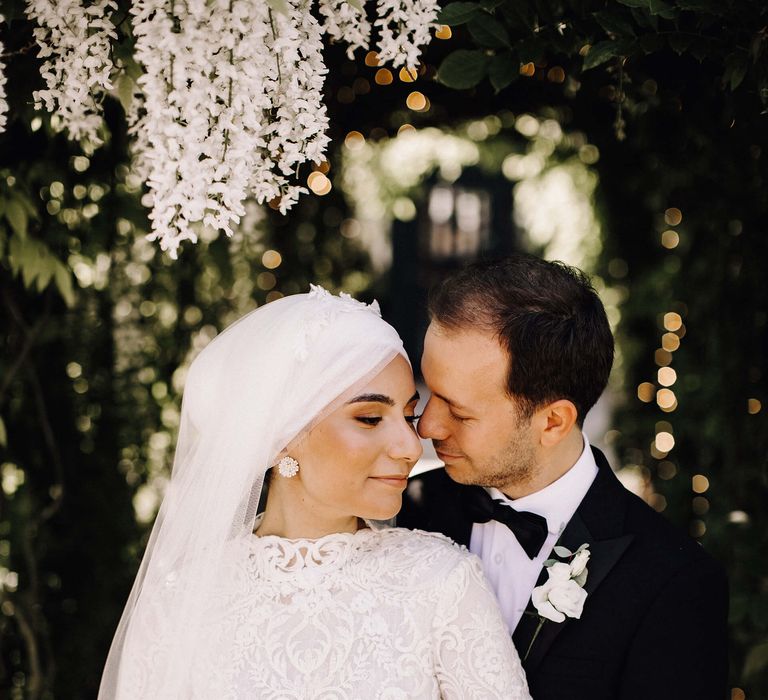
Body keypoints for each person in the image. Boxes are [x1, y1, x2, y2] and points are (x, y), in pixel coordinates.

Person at [99, 285, 531, 699]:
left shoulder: (442, 583)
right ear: (283, 436)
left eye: (407, 415)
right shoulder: (179, 605)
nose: (408, 446)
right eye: (369, 418)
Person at [398, 255, 729, 700]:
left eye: (458, 411)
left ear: (553, 421)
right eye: (429, 391)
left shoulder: (673, 583)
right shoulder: (402, 512)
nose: (428, 427)